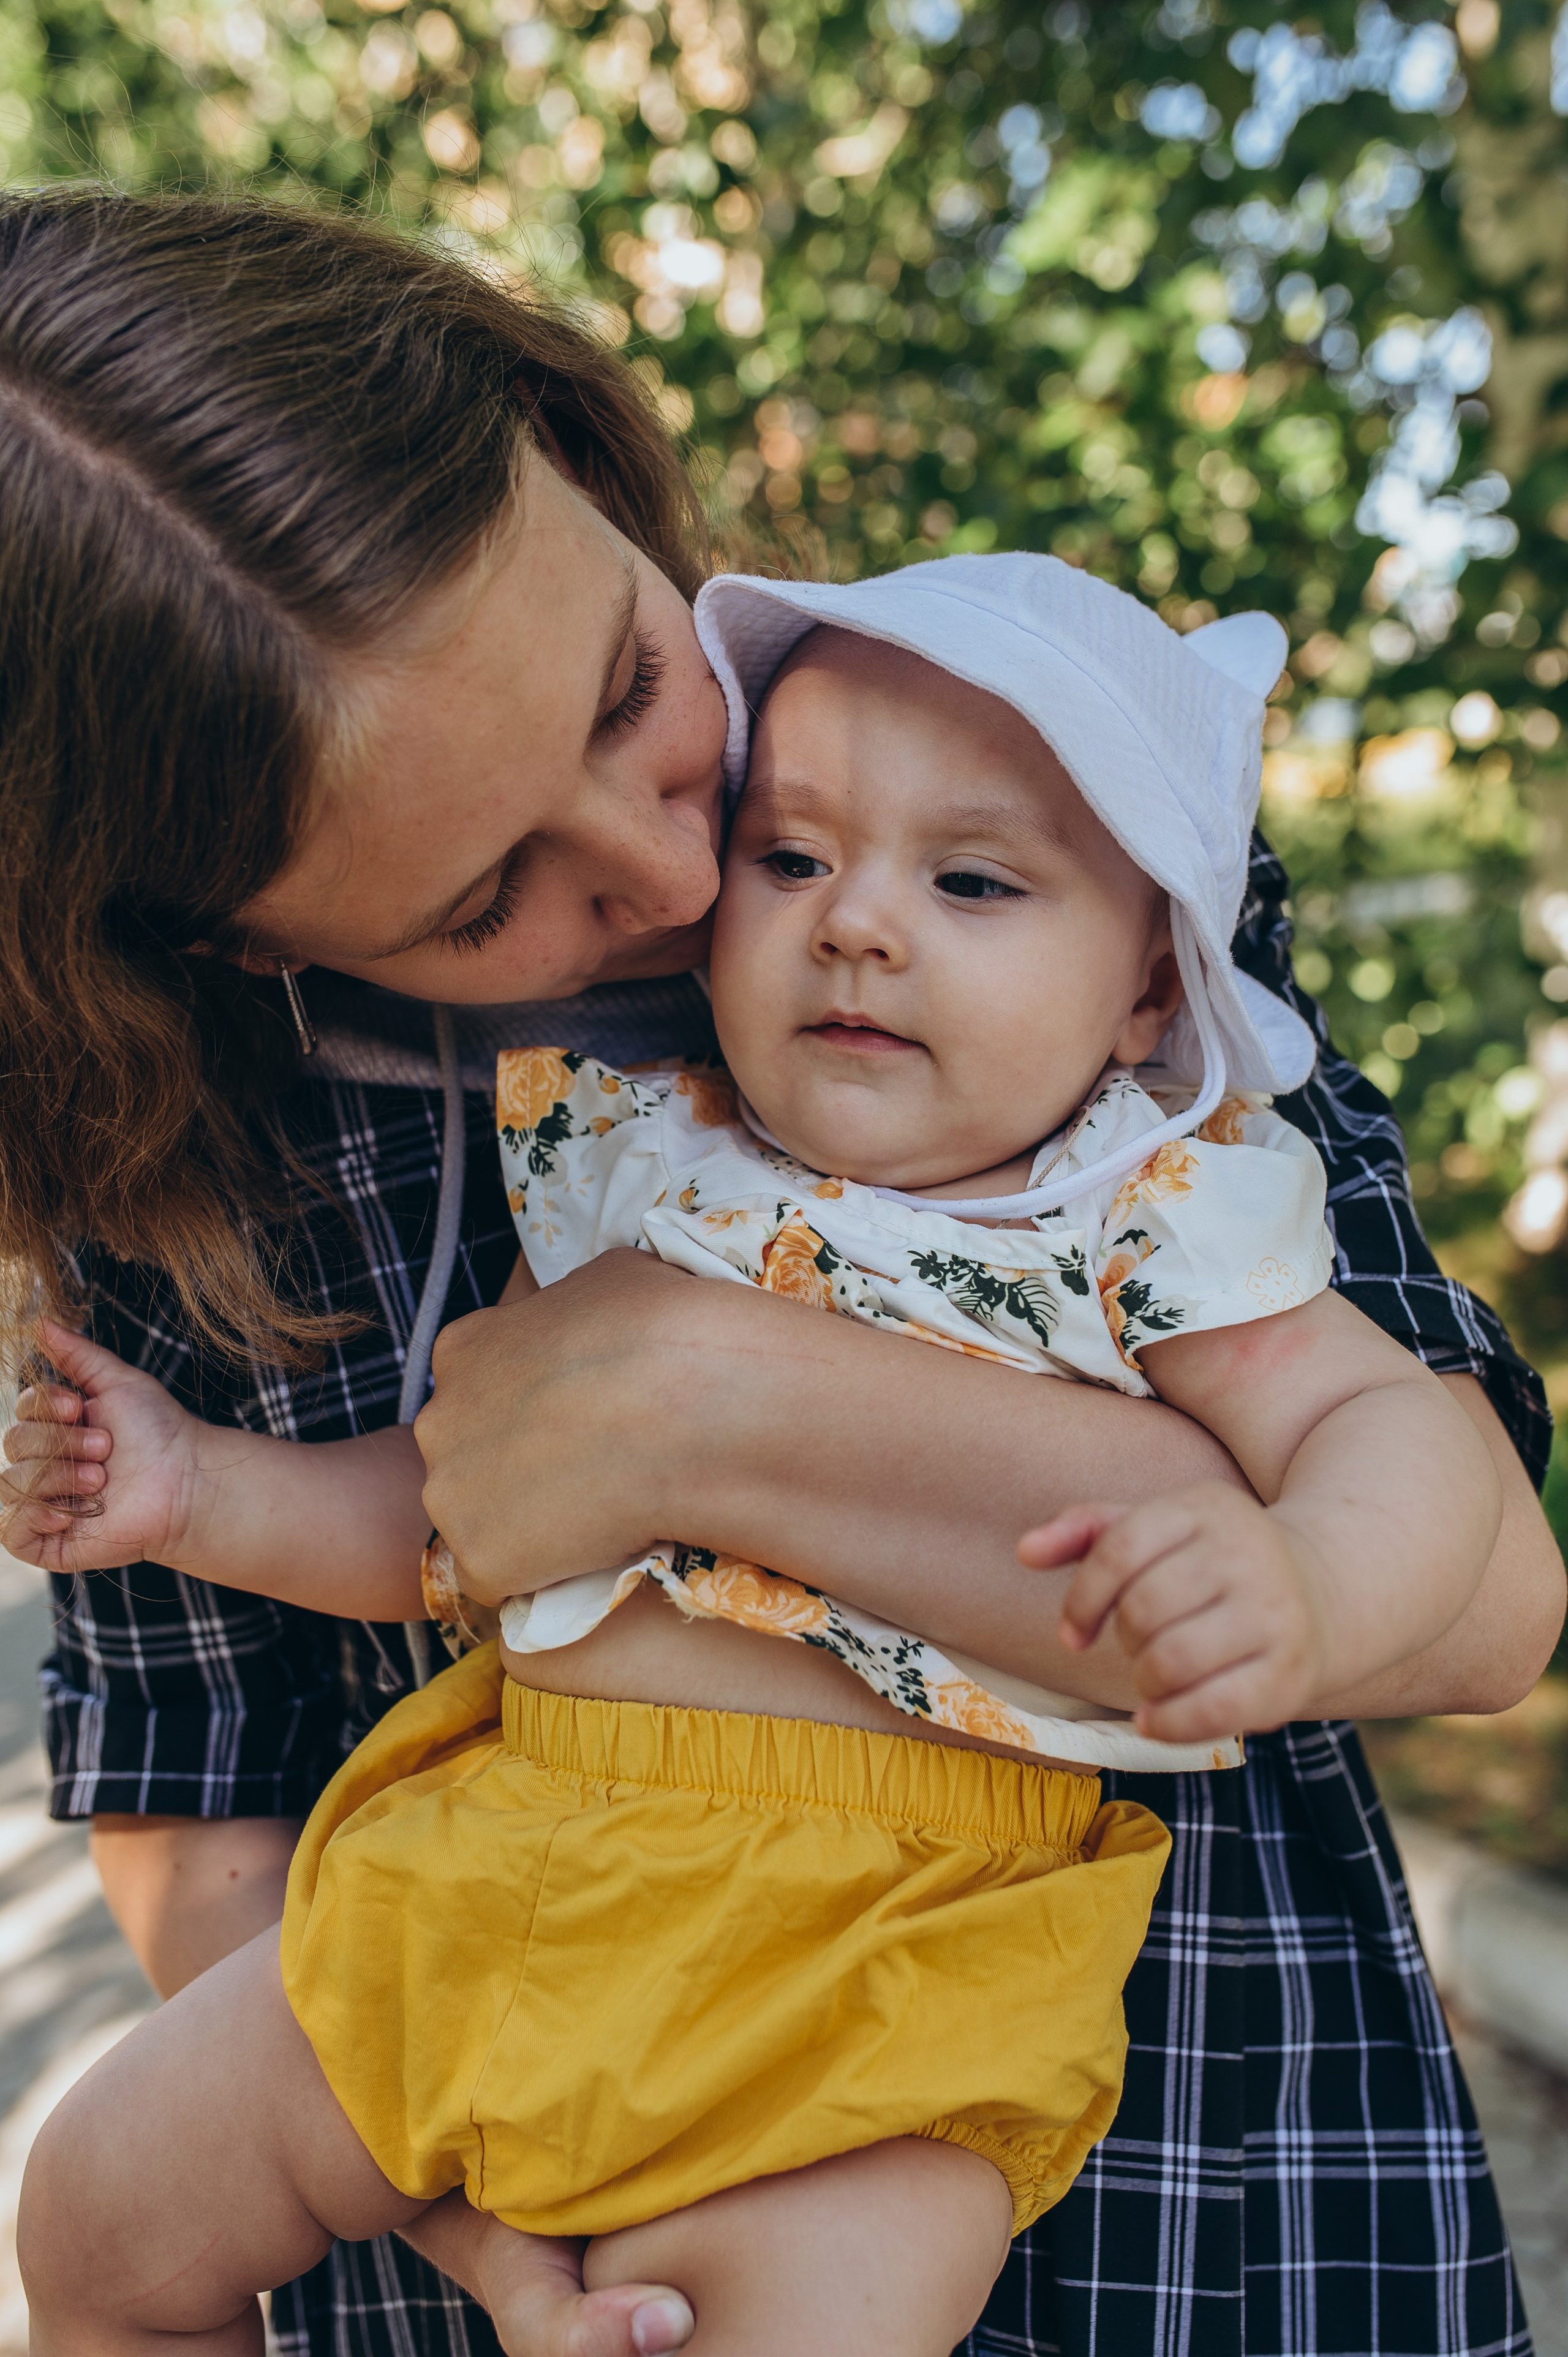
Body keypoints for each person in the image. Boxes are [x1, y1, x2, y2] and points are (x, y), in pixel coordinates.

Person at [0, 187, 1558, 2357]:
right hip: (489, 2078)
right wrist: (473, 2217)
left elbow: (1475, 1595)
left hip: (1201, 2186)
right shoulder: (202, 1144)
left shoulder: (1055, 823)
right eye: (481, 903)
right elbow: (199, 1768)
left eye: (636, 693)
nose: (679, 875)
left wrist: (689, 1409)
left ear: (576, 448)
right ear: (245, 938)